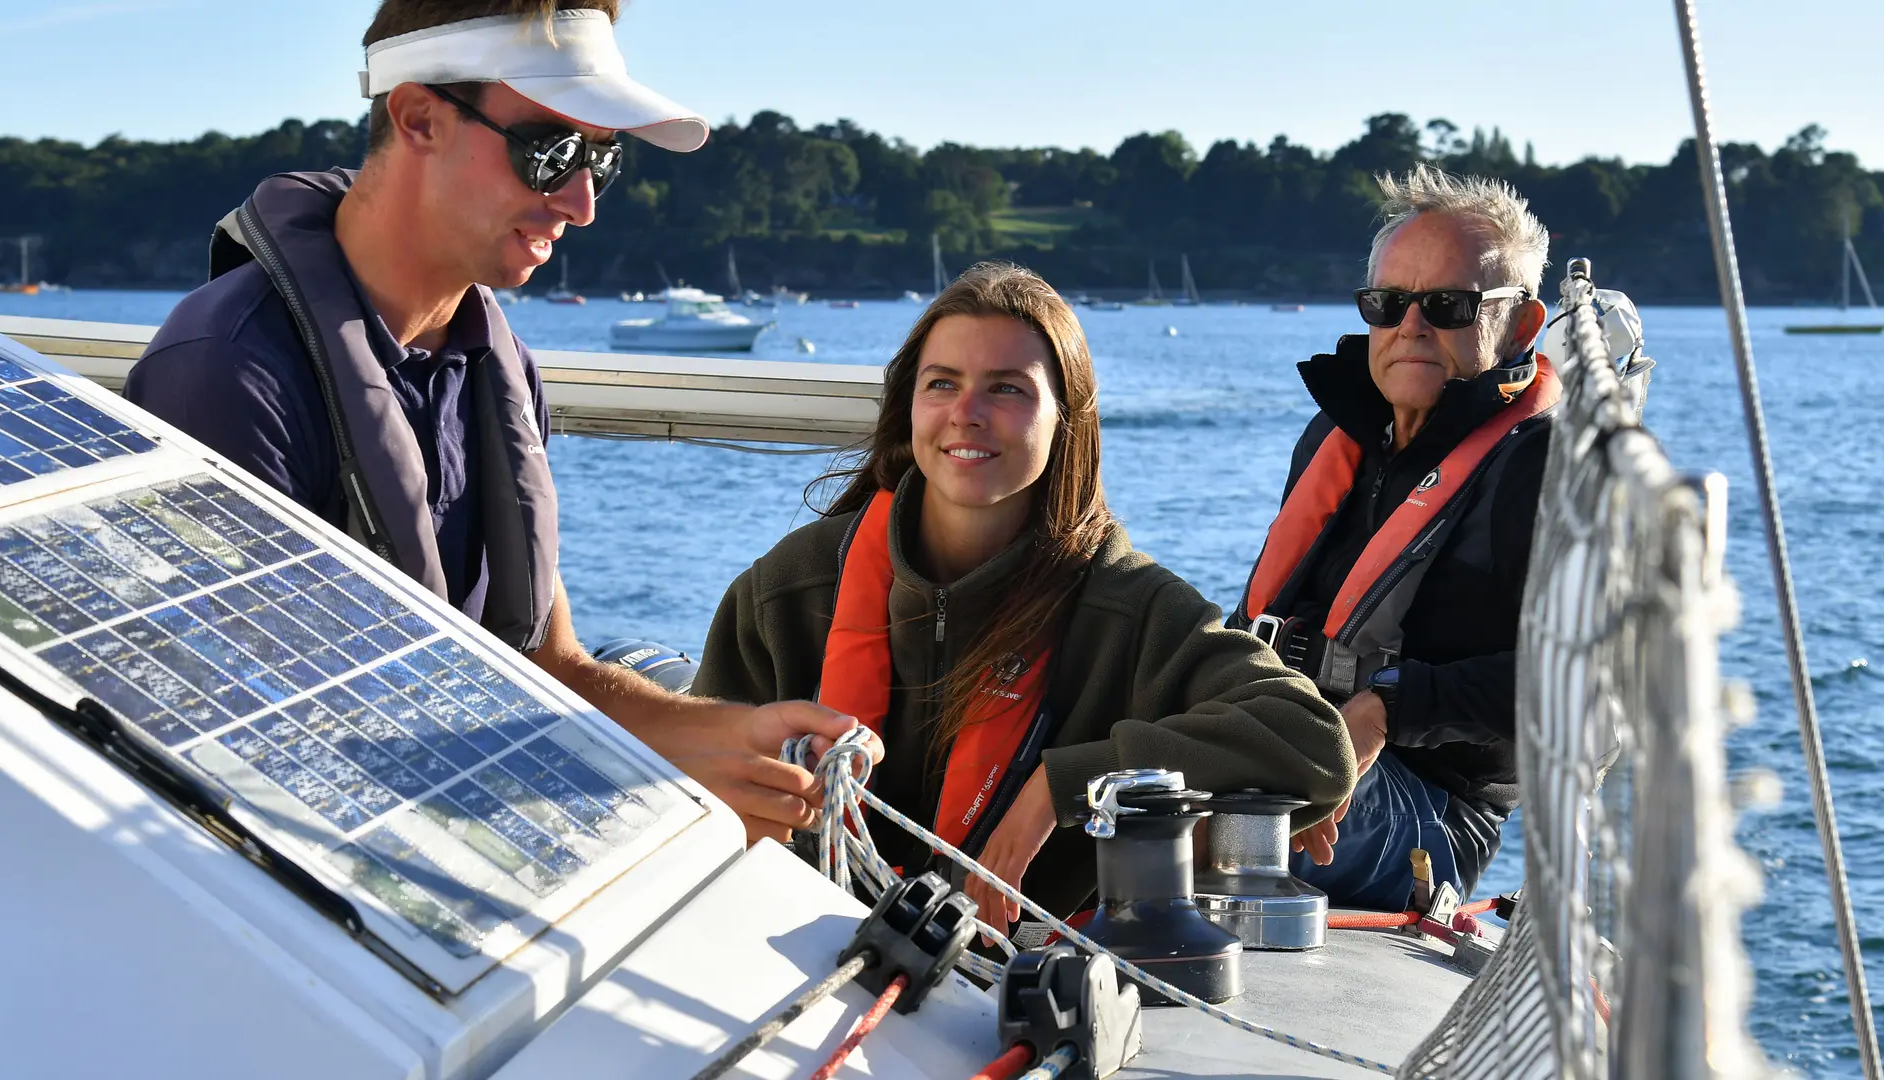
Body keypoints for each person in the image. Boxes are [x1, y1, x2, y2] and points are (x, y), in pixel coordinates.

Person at [122, 0, 863, 846]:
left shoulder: (496, 369)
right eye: (549, 152)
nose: (582, 202)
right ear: (419, 118)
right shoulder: (229, 375)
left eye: (601, 160)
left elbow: (551, 667)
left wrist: (722, 737)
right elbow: (236, 755)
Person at [694, 263, 1355, 939]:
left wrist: (1065, 786)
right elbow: (690, 789)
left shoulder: (1126, 608)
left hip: (1013, 989)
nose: (966, 414)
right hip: (788, 955)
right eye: (941, 384)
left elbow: (1313, 742)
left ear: (1065, 421)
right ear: (910, 408)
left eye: (1007, 389)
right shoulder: (792, 590)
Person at [1229, 164, 1555, 911]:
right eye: (1389, 303)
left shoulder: (1544, 468)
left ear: (1522, 325)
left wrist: (1390, 708)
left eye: (1446, 305)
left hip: (1434, 816)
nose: (1410, 326)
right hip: (1292, 737)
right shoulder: (1336, 438)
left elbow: (1593, 679)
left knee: (1218, 792)